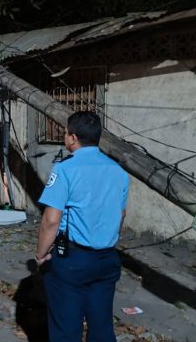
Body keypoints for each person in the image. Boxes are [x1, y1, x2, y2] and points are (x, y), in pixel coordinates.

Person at [34, 111, 129, 342]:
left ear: (73, 138)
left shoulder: (65, 169)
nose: (65, 136)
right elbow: (121, 214)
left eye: (66, 133)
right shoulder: (118, 171)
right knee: (102, 327)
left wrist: (41, 254)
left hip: (72, 261)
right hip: (107, 259)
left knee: (66, 328)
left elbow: (51, 220)